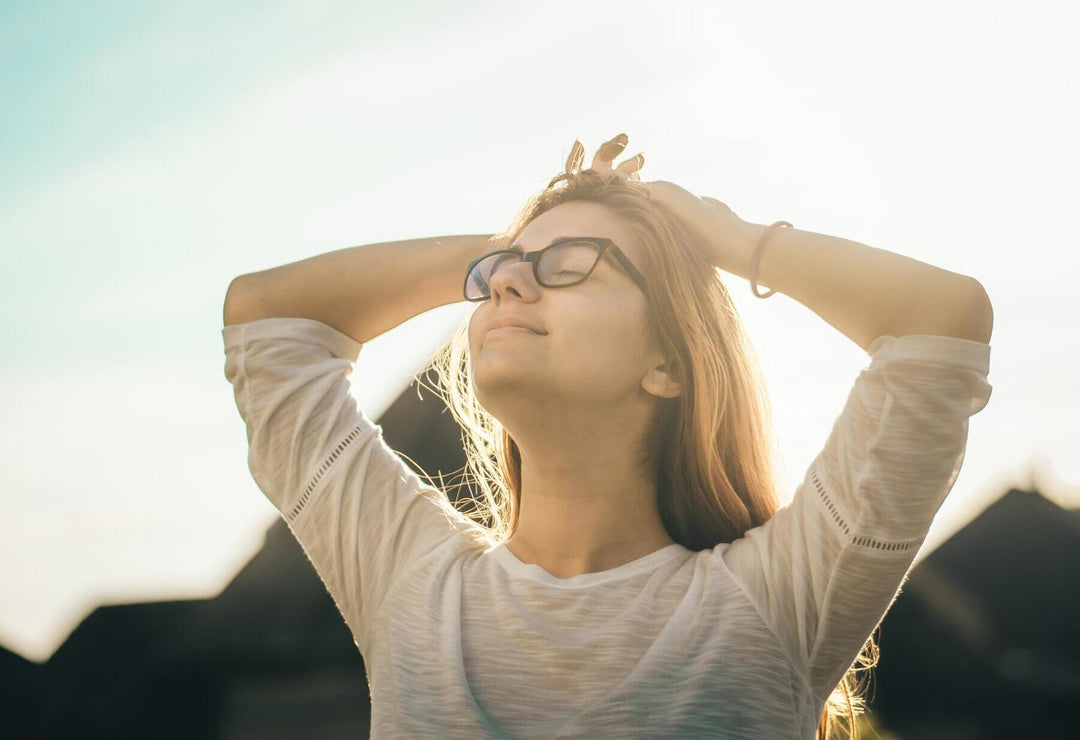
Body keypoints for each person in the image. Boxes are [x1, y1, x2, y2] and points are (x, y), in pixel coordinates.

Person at [222, 133, 993, 739]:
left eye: (570, 266)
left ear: (668, 362)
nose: (509, 283)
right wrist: (508, 245)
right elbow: (266, 318)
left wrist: (725, 238)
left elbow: (940, 322)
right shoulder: (411, 582)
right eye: (498, 275)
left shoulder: (774, 600)